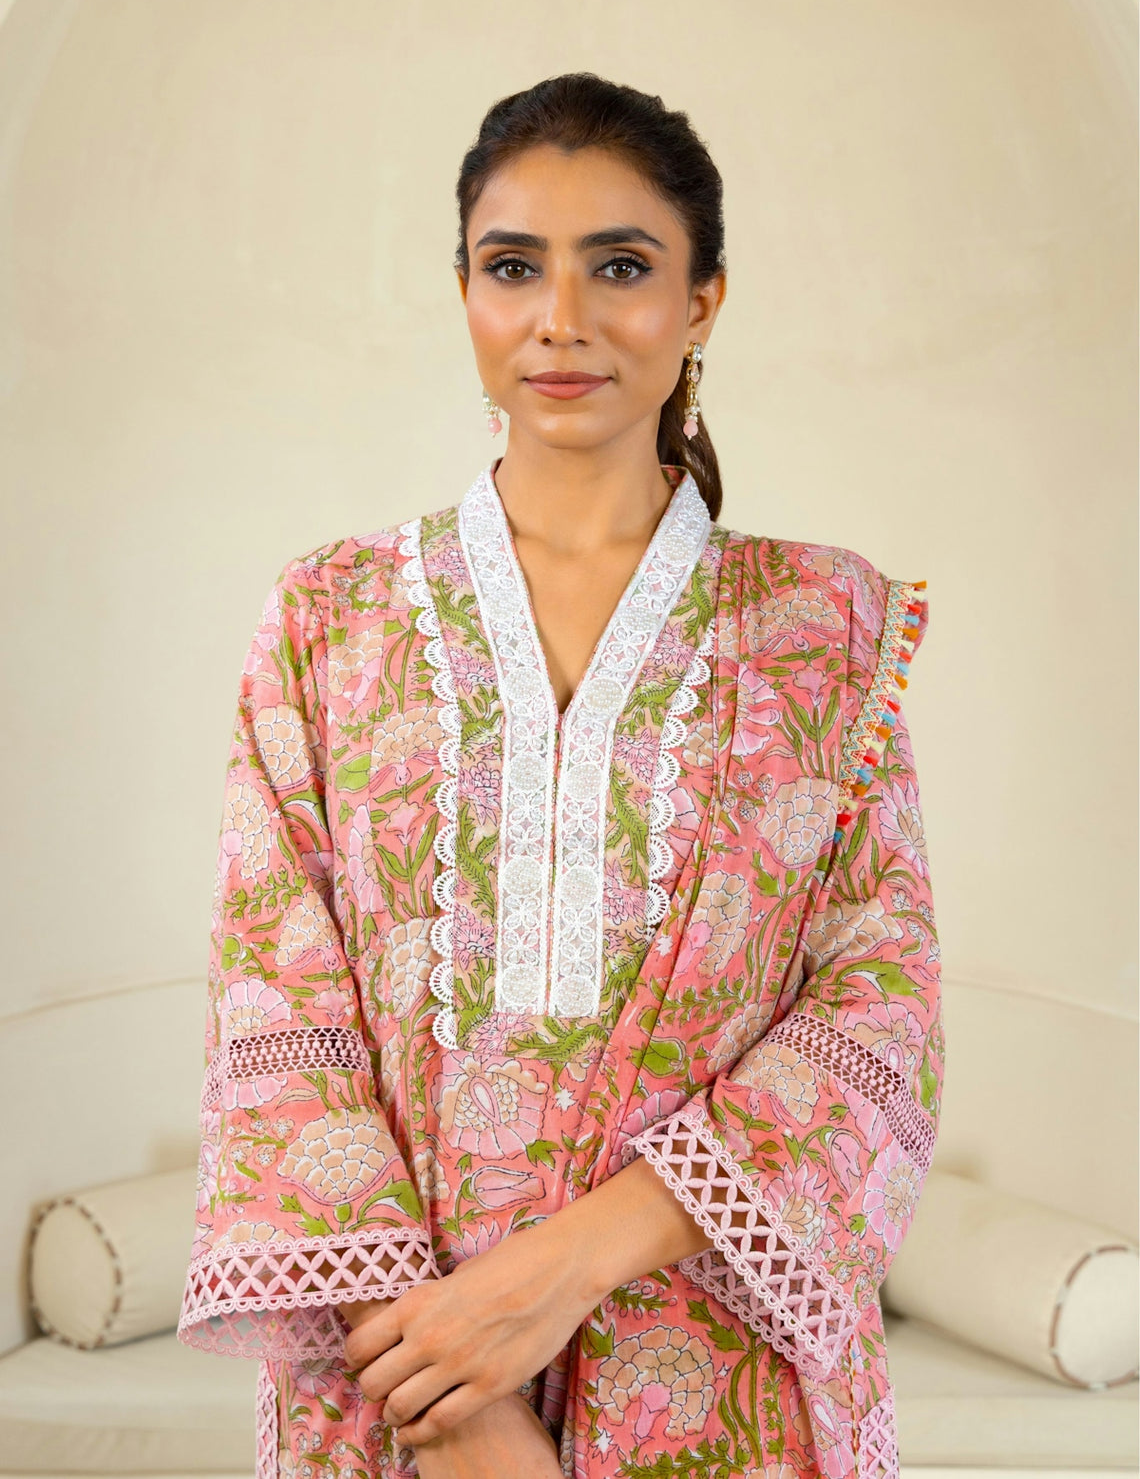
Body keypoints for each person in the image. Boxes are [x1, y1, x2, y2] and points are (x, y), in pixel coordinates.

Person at [178, 73, 942, 1479]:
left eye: (623, 268)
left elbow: (876, 1005)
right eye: (514, 266)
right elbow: (273, 1009)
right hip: (406, 1386)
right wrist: (466, 1408)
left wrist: (569, 1267)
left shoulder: (821, 627)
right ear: (463, 287)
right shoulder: (330, 618)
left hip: (727, 1378)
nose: (562, 320)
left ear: (704, 301)